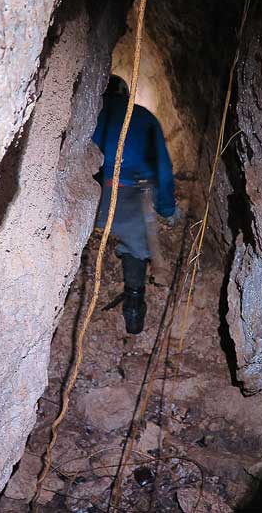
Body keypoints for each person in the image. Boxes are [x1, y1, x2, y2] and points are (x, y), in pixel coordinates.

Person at [92, 75, 180, 334]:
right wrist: (167, 207)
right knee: (137, 248)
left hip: (96, 193)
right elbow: (163, 167)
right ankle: (133, 309)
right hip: (130, 193)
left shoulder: (92, 112)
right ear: (126, 94)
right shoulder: (143, 117)